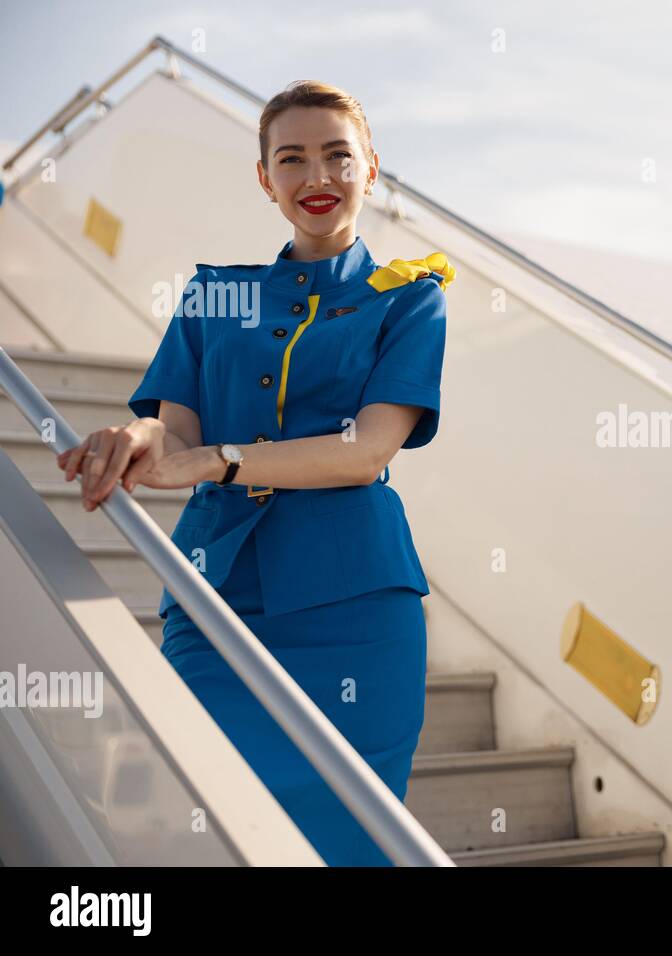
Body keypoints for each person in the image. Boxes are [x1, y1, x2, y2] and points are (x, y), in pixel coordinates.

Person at [56, 80, 455, 866]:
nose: (318, 176)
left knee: (350, 838)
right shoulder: (214, 293)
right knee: (190, 816)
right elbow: (174, 432)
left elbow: (367, 450)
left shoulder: (411, 301)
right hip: (217, 595)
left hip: (357, 608)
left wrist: (224, 459)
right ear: (266, 178)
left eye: (338, 155)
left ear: (371, 168)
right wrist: (137, 435)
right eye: (292, 158)